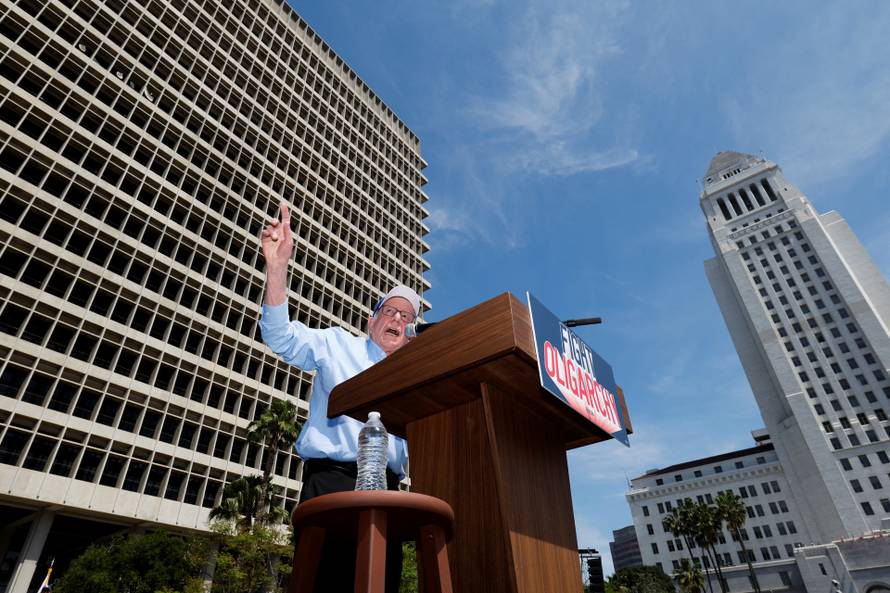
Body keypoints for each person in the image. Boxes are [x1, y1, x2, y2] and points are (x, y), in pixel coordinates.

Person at [258, 202, 418, 592]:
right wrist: (276, 268)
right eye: (390, 311)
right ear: (372, 320)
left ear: (411, 334)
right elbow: (280, 337)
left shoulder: (417, 379)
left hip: (389, 495)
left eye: (407, 318)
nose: (397, 320)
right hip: (332, 483)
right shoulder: (335, 344)